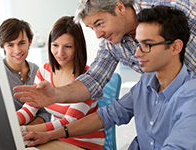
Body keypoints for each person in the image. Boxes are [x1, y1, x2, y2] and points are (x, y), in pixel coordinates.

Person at [21, 5, 196, 149]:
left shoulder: (190, 97)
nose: (136, 53)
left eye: (146, 45)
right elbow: (108, 114)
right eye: (137, 43)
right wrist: (49, 134)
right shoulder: (145, 83)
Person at [14, 0, 196, 108]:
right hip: (176, 103)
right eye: (91, 28)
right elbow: (94, 79)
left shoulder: (173, 7)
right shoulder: (111, 43)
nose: (98, 35)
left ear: (120, 8)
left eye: (99, 23)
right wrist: (56, 95)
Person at [16, 16, 105, 150]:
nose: (60, 53)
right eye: (55, 45)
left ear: (78, 47)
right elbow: (29, 108)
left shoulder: (87, 78)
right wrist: (9, 124)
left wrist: (22, 129)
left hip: (85, 143)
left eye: (67, 46)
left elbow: (68, 122)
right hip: (53, 138)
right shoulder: (44, 71)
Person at [0, 18, 50, 125]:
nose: (17, 51)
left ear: (30, 42)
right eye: (10, 45)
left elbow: (45, 111)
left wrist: (30, 129)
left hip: (37, 133)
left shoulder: (37, 71)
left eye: (21, 43)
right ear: (3, 46)